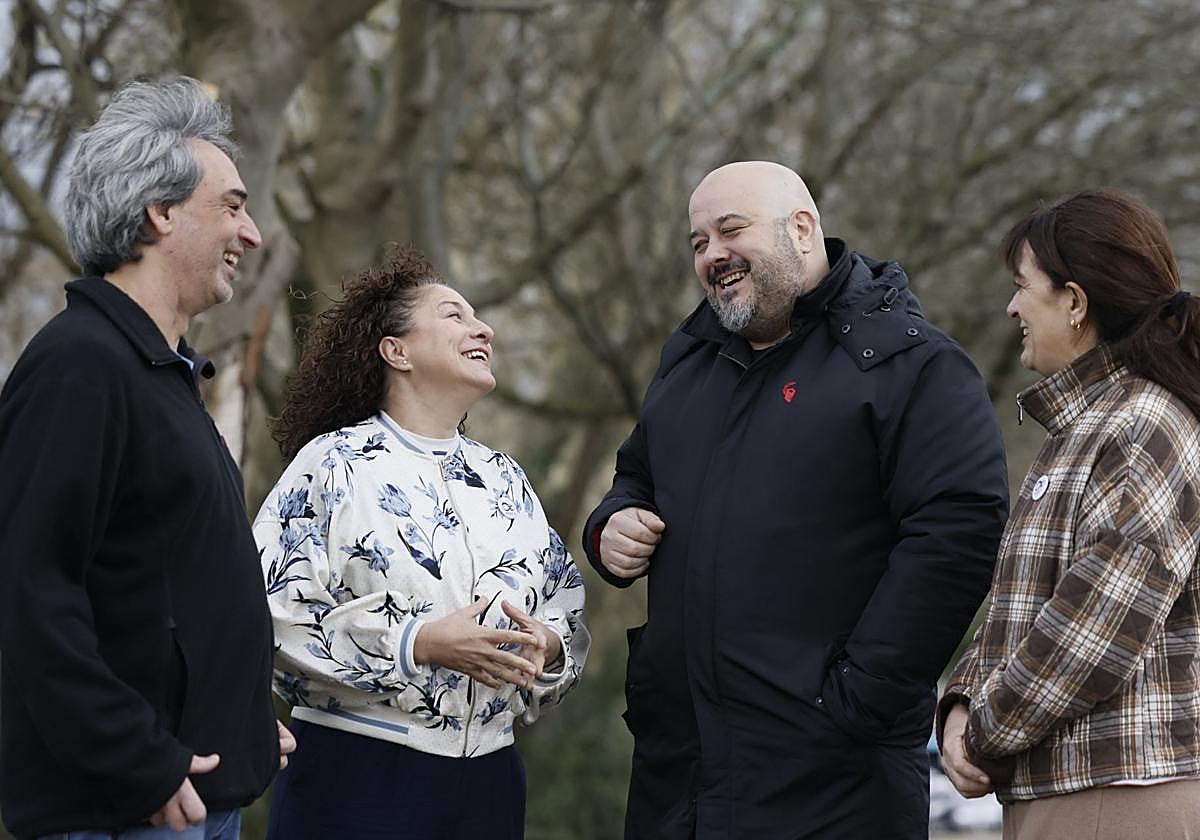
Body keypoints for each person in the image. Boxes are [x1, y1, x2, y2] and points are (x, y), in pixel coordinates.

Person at [582, 160, 1010, 839]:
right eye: (698, 242)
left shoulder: (913, 364)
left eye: (731, 231)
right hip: (680, 774)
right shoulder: (688, 361)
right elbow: (636, 473)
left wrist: (859, 699)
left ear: (802, 229)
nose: (713, 255)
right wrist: (610, 524)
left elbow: (958, 533)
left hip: (835, 779)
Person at [0, 76, 291, 840]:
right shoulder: (79, 367)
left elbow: (164, 586)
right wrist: (138, 758)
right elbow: (26, 589)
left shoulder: (162, 375)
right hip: (125, 812)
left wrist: (244, 724)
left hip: (192, 799)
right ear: (159, 213)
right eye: (231, 206)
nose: (251, 233)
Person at [254, 246, 589, 839]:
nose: (482, 326)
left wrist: (550, 648)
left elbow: (564, 602)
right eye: (454, 315)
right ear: (396, 351)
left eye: (478, 316)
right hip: (357, 777)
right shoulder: (331, 465)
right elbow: (269, 616)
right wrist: (418, 643)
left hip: (491, 785)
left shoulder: (503, 478)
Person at [938, 189, 1200, 839]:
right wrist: (961, 704)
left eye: (1024, 286)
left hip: (1116, 797)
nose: (1012, 307)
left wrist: (986, 729)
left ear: (1075, 302)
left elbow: (1096, 627)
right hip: (1082, 792)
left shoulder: (1139, 425)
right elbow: (1021, 606)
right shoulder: (1088, 428)